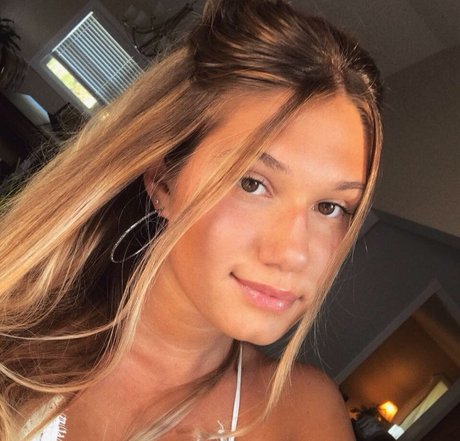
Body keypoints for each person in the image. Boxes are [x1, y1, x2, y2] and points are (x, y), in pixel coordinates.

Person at [0, 0, 383, 440]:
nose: (294, 254)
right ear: (164, 181)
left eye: (330, 207)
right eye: (251, 183)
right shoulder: (16, 336)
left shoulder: (306, 416)